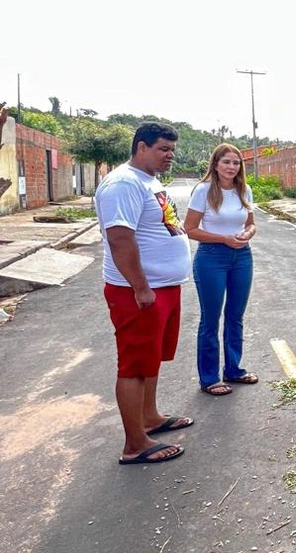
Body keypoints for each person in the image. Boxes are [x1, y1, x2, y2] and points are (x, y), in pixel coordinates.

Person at [95, 122, 193, 465]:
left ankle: (149, 418)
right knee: (135, 365)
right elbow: (120, 239)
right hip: (137, 292)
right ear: (141, 147)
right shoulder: (122, 183)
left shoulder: (148, 181)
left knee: (151, 360)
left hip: (162, 288)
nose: (169, 156)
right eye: (162, 149)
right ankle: (134, 443)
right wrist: (140, 287)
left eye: (171, 150)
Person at [183, 144, 258, 396]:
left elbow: (251, 224)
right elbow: (190, 229)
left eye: (236, 163)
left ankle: (234, 369)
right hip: (211, 257)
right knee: (210, 318)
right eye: (226, 162)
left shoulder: (243, 190)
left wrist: (247, 234)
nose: (231, 167)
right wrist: (224, 239)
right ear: (215, 164)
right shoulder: (203, 191)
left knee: (236, 315)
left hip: (242, 257)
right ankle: (209, 378)